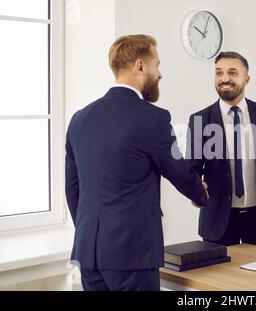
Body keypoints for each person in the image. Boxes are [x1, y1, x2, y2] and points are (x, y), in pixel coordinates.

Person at [65, 34, 208, 291]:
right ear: (140, 65)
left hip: (89, 251)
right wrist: (200, 195)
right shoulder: (152, 118)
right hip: (132, 253)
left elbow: (72, 188)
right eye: (157, 65)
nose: (160, 74)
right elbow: (178, 171)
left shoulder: (79, 119)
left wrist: (93, 232)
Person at [186, 51, 256, 250]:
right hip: (218, 222)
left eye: (232, 72)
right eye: (219, 73)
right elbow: (192, 171)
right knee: (220, 281)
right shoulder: (200, 120)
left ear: (246, 78)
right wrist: (195, 192)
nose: (225, 79)